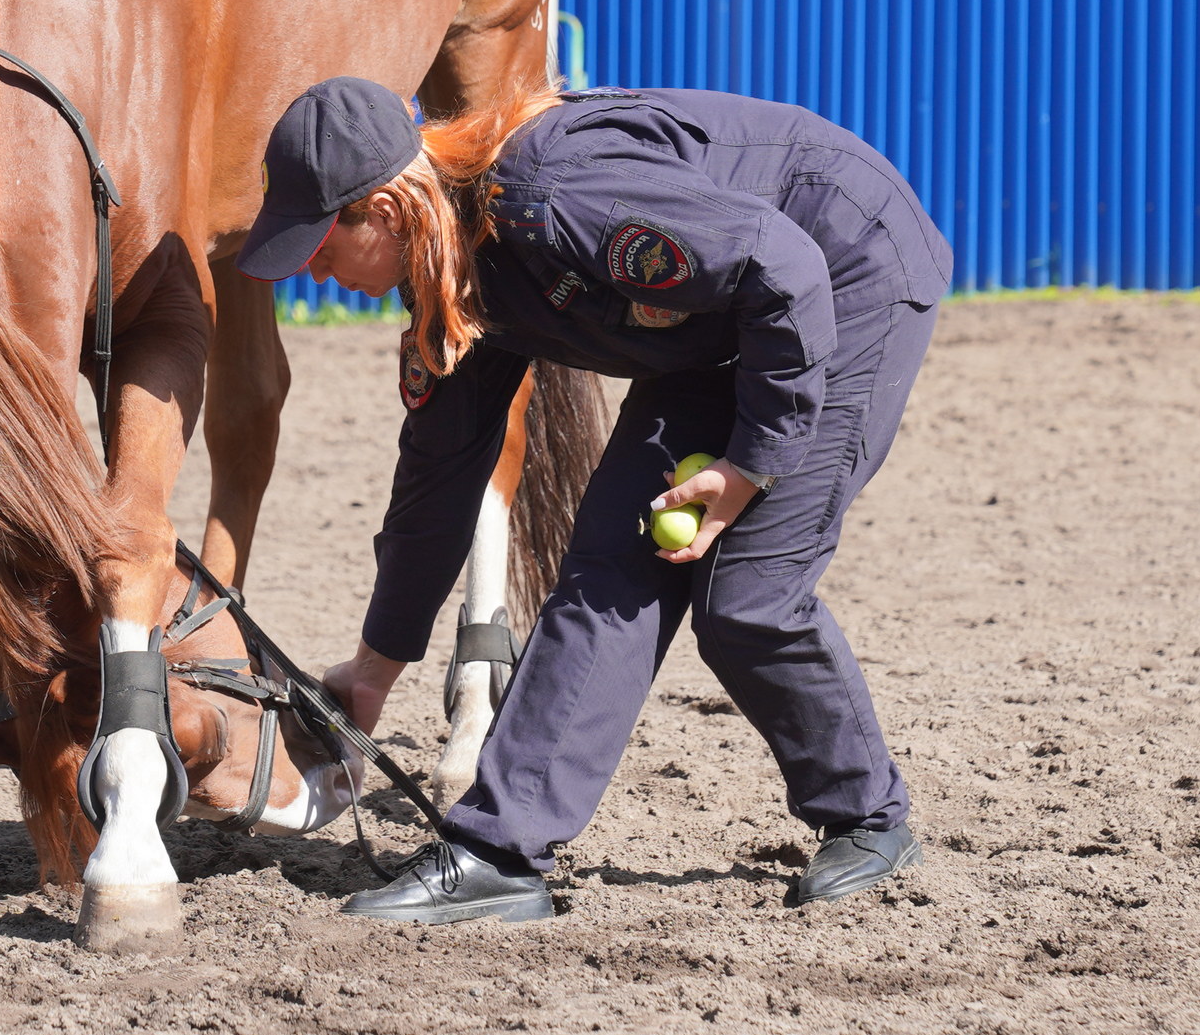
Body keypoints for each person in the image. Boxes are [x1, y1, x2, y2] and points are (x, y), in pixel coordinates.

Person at [237, 76, 950, 924]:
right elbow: (437, 481)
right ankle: (499, 854)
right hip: (721, 326)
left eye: (319, 244)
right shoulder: (452, 276)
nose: (310, 270)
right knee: (609, 563)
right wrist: (372, 674)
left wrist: (749, 464)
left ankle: (869, 815)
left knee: (747, 598)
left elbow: (782, 268)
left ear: (387, 210)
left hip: (842, 270)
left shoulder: (552, 194)